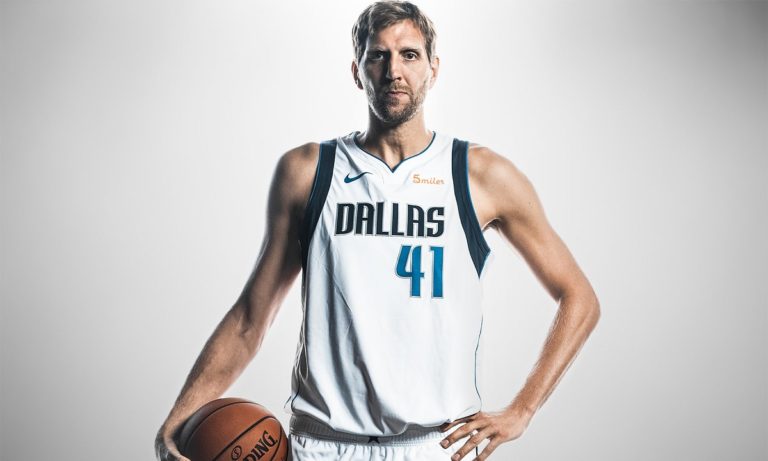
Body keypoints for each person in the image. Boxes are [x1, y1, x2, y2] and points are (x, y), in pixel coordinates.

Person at [155, 1, 600, 460]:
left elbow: (579, 297)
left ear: (433, 69)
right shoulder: (308, 172)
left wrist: (522, 410)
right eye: (378, 56)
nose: (393, 71)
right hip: (324, 446)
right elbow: (251, 319)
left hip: (436, 445)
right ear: (357, 71)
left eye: (409, 55)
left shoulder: (479, 175)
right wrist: (174, 424)